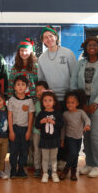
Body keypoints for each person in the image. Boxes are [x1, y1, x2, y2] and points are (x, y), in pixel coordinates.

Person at [70, 36, 98, 178]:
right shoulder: (80, 64)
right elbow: (73, 83)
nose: (92, 47)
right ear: (85, 47)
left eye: (95, 45)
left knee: (95, 133)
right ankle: (88, 164)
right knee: (86, 134)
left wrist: (96, 104)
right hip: (82, 103)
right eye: (89, 45)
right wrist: (79, 102)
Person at [38, 25, 77, 170]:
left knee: (67, 130)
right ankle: (55, 160)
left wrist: (73, 96)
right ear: (43, 41)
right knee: (54, 130)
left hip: (68, 98)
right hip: (52, 101)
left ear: (56, 37)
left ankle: (66, 161)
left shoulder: (67, 53)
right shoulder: (41, 58)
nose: (49, 39)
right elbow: (41, 80)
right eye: (45, 37)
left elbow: (74, 74)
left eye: (51, 36)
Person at [59, 89, 91, 181]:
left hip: (79, 137)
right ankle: (66, 169)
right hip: (69, 138)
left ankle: (73, 172)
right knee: (73, 153)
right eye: (68, 102)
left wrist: (87, 125)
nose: (70, 104)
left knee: (75, 155)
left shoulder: (80, 112)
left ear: (77, 103)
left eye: (72, 102)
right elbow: (63, 128)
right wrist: (62, 139)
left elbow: (87, 119)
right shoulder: (65, 114)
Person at [8, 75, 35, 179]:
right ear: (14, 87)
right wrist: (11, 131)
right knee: (14, 150)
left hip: (25, 129)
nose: (20, 87)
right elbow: (9, 116)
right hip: (14, 128)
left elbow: (31, 116)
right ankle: (13, 169)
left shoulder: (29, 101)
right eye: (18, 84)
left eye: (23, 85)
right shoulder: (11, 100)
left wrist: (29, 131)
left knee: (24, 150)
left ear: (26, 87)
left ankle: (21, 169)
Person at [35, 91, 63, 183]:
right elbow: (36, 125)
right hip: (44, 139)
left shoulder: (58, 113)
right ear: (42, 102)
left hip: (54, 139)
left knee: (54, 158)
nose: (47, 102)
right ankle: (45, 173)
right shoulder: (41, 114)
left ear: (54, 102)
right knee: (45, 158)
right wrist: (41, 122)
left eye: (50, 100)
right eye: (45, 100)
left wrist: (54, 122)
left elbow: (61, 124)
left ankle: (54, 173)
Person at [32, 81, 49, 178]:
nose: (39, 92)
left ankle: (46, 168)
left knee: (46, 150)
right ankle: (37, 168)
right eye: (37, 90)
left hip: (48, 132)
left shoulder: (50, 102)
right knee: (37, 150)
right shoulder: (36, 103)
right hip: (37, 132)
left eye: (41, 90)